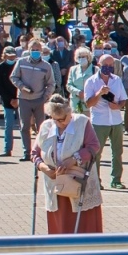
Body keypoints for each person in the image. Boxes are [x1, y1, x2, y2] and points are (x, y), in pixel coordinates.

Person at [31, 96, 105, 234]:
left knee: (84, 225)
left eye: (63, 118)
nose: (61, 123)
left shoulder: (82, 122)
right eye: (56, 119)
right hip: (55, 186)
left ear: (70, 112)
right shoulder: (46, 127)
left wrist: (74, 159)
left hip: (78, 183)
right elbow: (34, 153)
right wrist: (44, 168)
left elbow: (94, 146)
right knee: (61, 226)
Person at [82, 52, 128, 189]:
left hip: (115, 120)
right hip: (99, 121)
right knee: (96, 152)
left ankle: (116, 180)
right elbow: (88, 104)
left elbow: (123, 100)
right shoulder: (91, 81)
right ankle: (96, 180)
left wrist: (118, 106)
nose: (108, 68)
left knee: (117, 152)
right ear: (99, 65)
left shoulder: (117, 80)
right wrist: (99, 93)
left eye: (111, 65)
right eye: (105, 65)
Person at [0, 46, 20, 157]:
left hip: (20, 100)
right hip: (7, 101)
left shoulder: (19, 66)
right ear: (4, 56)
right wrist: (10, 99)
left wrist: (17, 99)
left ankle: (26, 151)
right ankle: (7, 149)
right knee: (8, 125)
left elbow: (22, 82)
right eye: (9, 56)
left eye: (13, 56)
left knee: (23, 126)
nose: (11, 58)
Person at [65, 47, 94, 115]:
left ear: (88, 57)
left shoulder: (95, 69)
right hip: (75, 103)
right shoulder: (73, 69)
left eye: (83, 56)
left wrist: (86, 94)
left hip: (90, 103)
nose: (81, 58)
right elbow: (69, 85)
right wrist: (78, 92)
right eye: (79, 57)